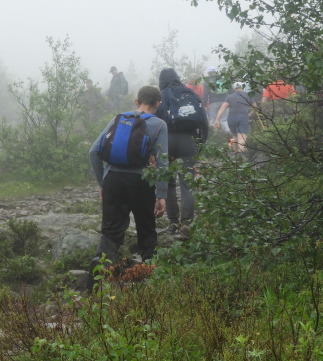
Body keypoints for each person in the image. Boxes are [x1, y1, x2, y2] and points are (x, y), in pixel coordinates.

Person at [89, 85, 168, 271]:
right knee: (146, 229)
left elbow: (93, 152)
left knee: (110, 231)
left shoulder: (119, 119)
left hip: (113, 180)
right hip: (141, 181)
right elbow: (163, 162)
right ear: (158, 103)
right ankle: (149, 275)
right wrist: (161, 195)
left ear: (136, 101)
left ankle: (99, 269)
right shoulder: (159, 125)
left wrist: (103, 182)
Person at [157, 68, 208, 235]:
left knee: (169, 183)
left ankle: (173, 223)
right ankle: (187, 223)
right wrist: (201, 145)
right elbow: (203, 121)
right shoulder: (190, 94)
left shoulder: (161, 96)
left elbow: (154, 122)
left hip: (166, 141)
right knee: (187, 183)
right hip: (189, 140)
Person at [215, 82, 255, 155]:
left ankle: (234, 157)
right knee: (242, 138)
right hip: (242, 117)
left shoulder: (230, 97)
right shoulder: (249, 95)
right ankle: (241, 158)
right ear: (243, 87)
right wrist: (249, 115)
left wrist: (217, 120)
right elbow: (255, 108)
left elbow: (222, 108)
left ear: (234, 89)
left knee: (235, 137)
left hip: (231, 118)